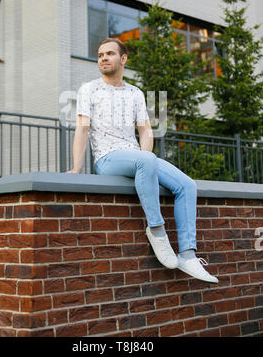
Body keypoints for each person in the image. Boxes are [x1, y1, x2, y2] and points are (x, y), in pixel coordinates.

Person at [67, 37, 218, 284]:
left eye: (109, 54)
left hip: (136, 157)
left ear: (123, 59)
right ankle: (157, 230)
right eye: (100, 55)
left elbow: (146, 131)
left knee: (186, 185)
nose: (103, 58)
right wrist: (76, 168)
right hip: (107, 159)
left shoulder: (135, 93)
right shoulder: (89, 90)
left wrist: (145, 157)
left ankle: (189, 255)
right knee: (145, 161)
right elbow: (82, 130)